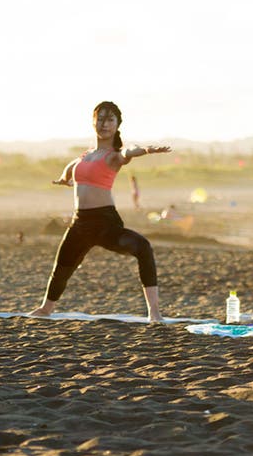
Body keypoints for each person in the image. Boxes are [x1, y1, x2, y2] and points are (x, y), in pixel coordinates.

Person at [29, 101, 171, 322]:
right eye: (101, 118)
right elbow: (72, 167)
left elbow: (128, 151)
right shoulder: (86, 155)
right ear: (93, 121)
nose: (104, 124)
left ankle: (154, 313)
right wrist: (64, 179)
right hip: (80, 223)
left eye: (110, 119)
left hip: (105, 223)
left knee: (143, 247)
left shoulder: (114, 155)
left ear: (116, 125)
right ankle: (46, 309)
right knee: (62, 267)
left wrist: (146, 150)